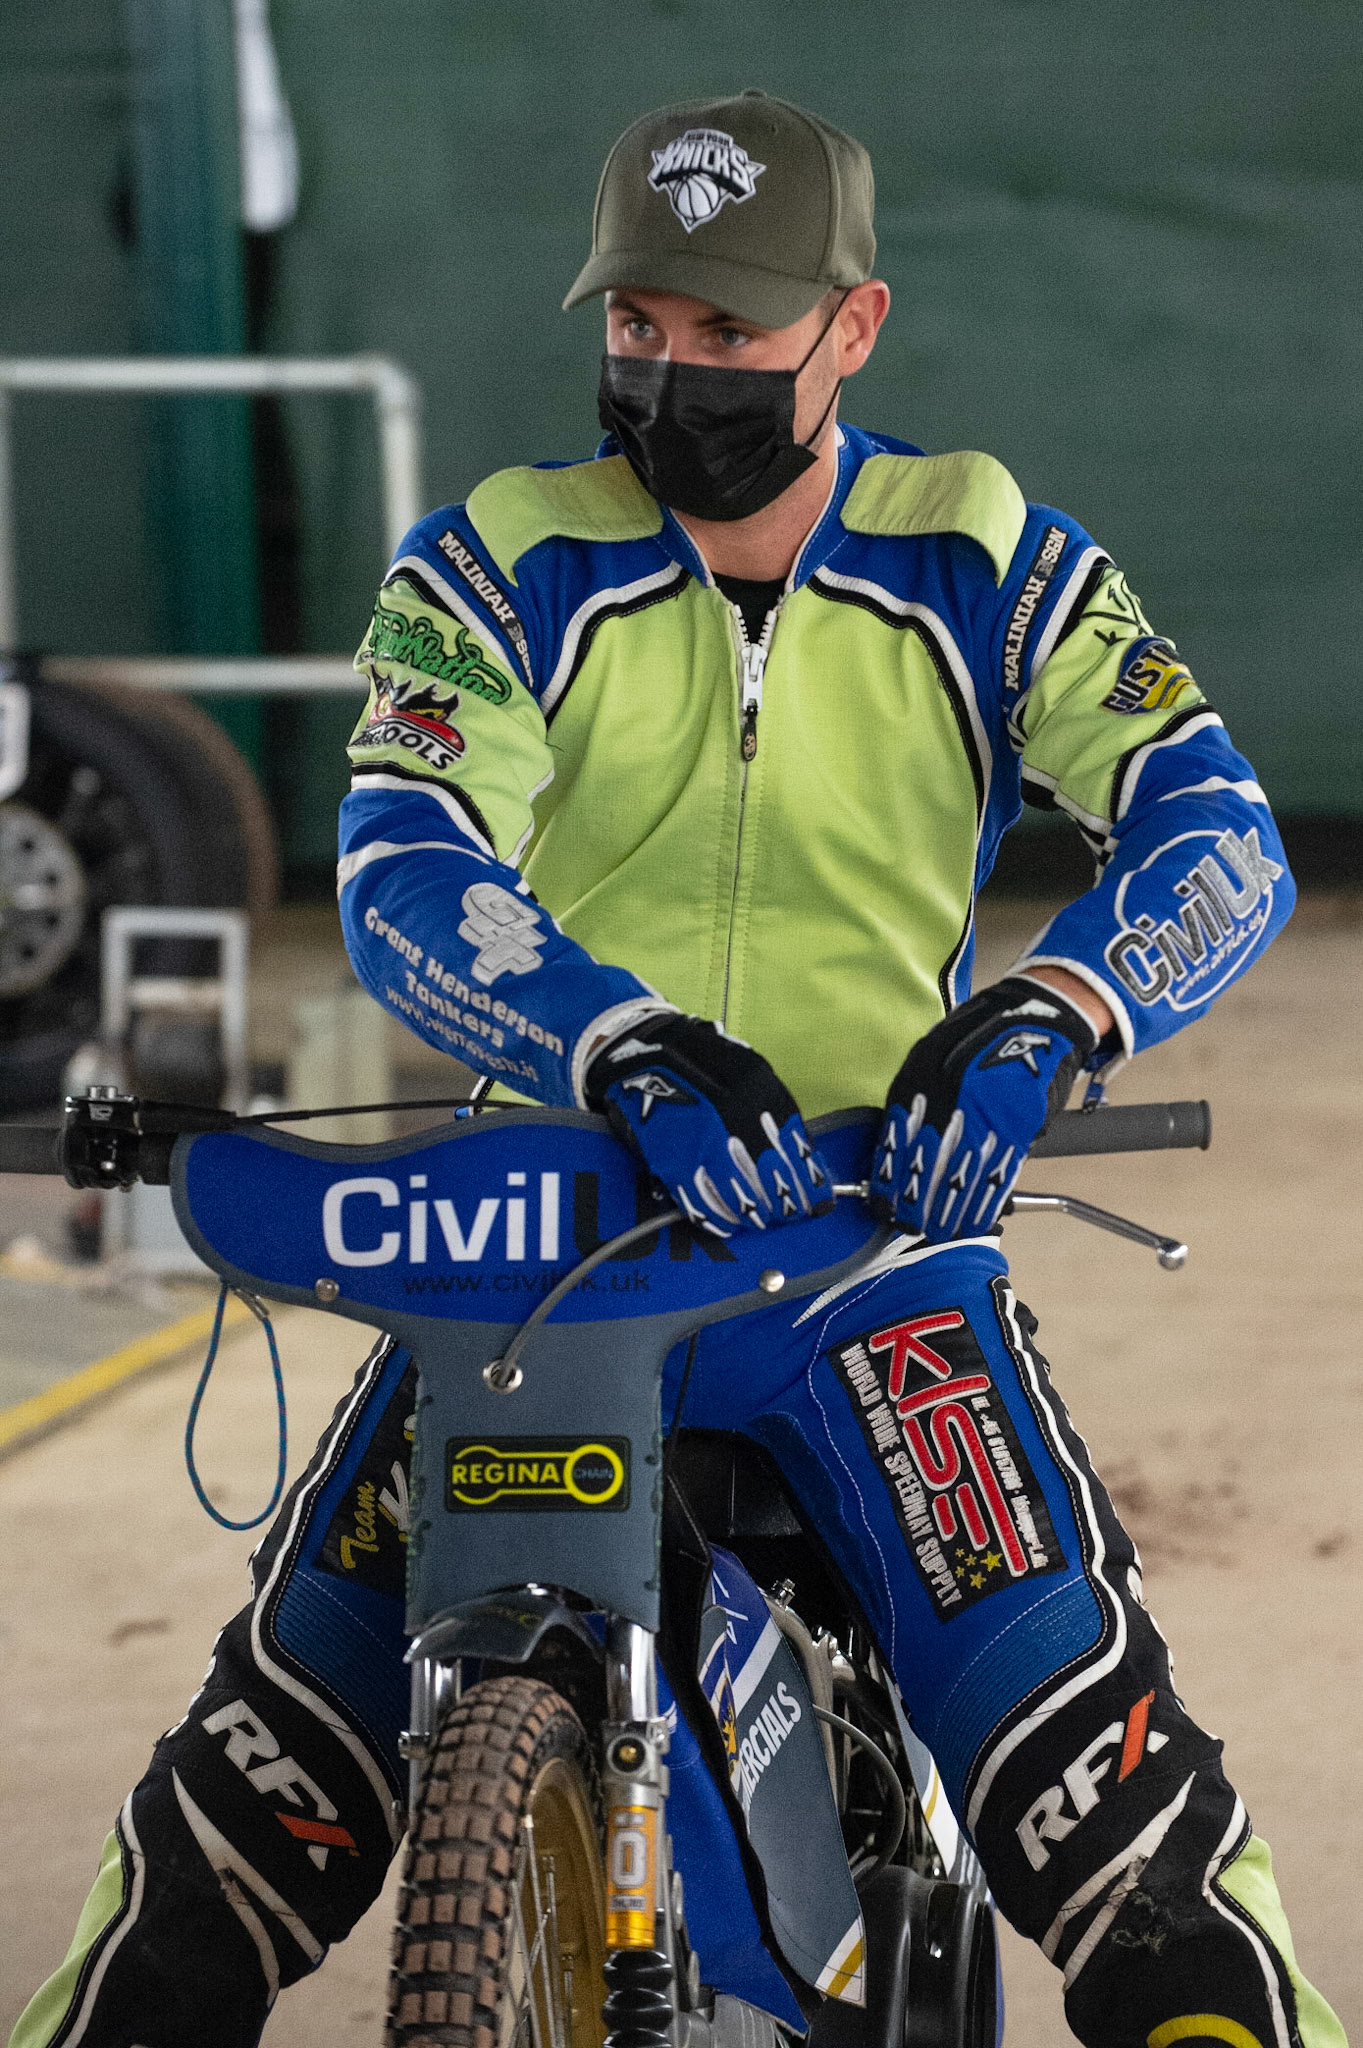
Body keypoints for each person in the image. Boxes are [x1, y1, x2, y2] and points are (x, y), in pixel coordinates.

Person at [13, 89, 1344, 2048]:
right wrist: (616, 1040)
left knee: (1122, 1827)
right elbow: (405, 862)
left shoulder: (987, 551)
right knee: (230, 1822)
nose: (673, 367)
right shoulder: (493, 563)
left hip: (868, 1248)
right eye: (641, 319)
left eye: (729, 330)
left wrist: (1049, 1014)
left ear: (851, 326)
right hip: (530, 1245)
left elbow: (1214, 830)